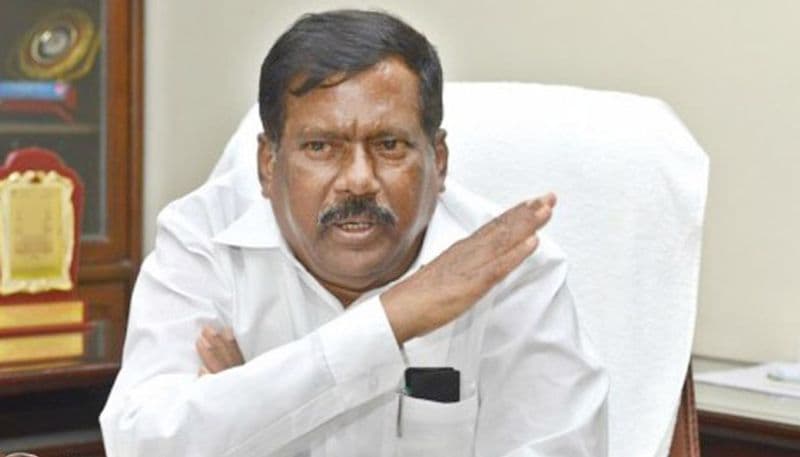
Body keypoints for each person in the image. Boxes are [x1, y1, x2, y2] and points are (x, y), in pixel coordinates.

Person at [100, 9, 608, 457]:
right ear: (268, 164)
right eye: (321, 147)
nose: (358, 180)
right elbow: (140, 443)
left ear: (439, 161)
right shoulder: (203, 240)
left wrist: (248, 406)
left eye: (389, 145)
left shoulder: (510, 270)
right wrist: (393, 318)